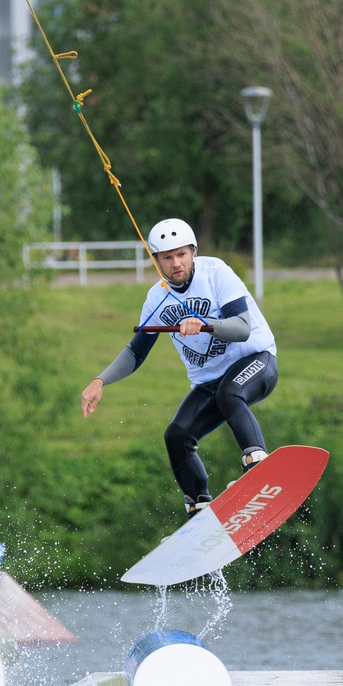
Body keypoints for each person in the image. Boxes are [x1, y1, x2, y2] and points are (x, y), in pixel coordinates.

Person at [79, 218, 279, 518]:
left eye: (182, 254)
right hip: (210, 382)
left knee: (229, 393)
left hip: (256, 361)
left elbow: (241, 328)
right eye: (167, 257)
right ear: (156, 261)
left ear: (193, 252)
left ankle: (257, 462)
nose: (176, 263)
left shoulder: (216, 273)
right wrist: (100, 381)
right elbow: (136, 351)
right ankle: (199, 507)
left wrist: (205, 325)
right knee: (177, 435)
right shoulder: (157, 298)